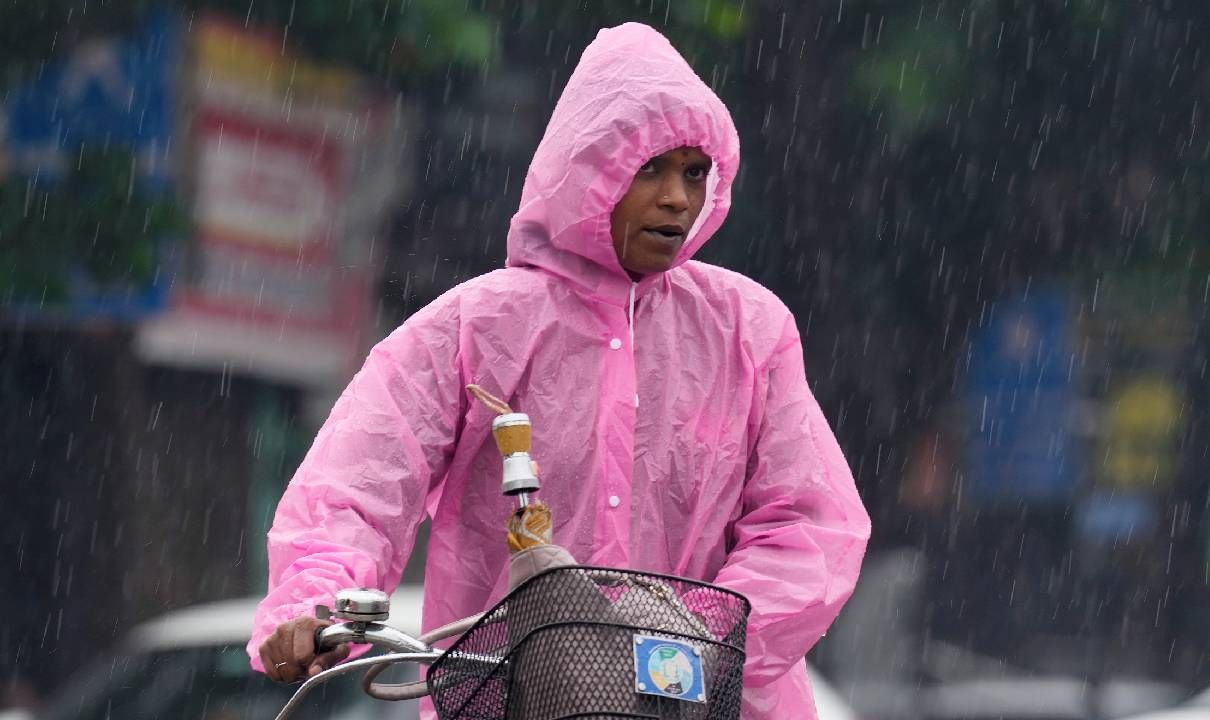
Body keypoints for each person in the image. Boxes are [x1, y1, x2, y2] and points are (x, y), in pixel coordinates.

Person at [248, 22, 870, 719]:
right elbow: (356, 488)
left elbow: (809, 524)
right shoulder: (470, 329)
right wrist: (312, 605)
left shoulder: (749, 331)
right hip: (517, 702)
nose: (677, 199)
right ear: (591, 172)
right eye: (651, 169)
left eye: (695, 173)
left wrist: (690, 643)